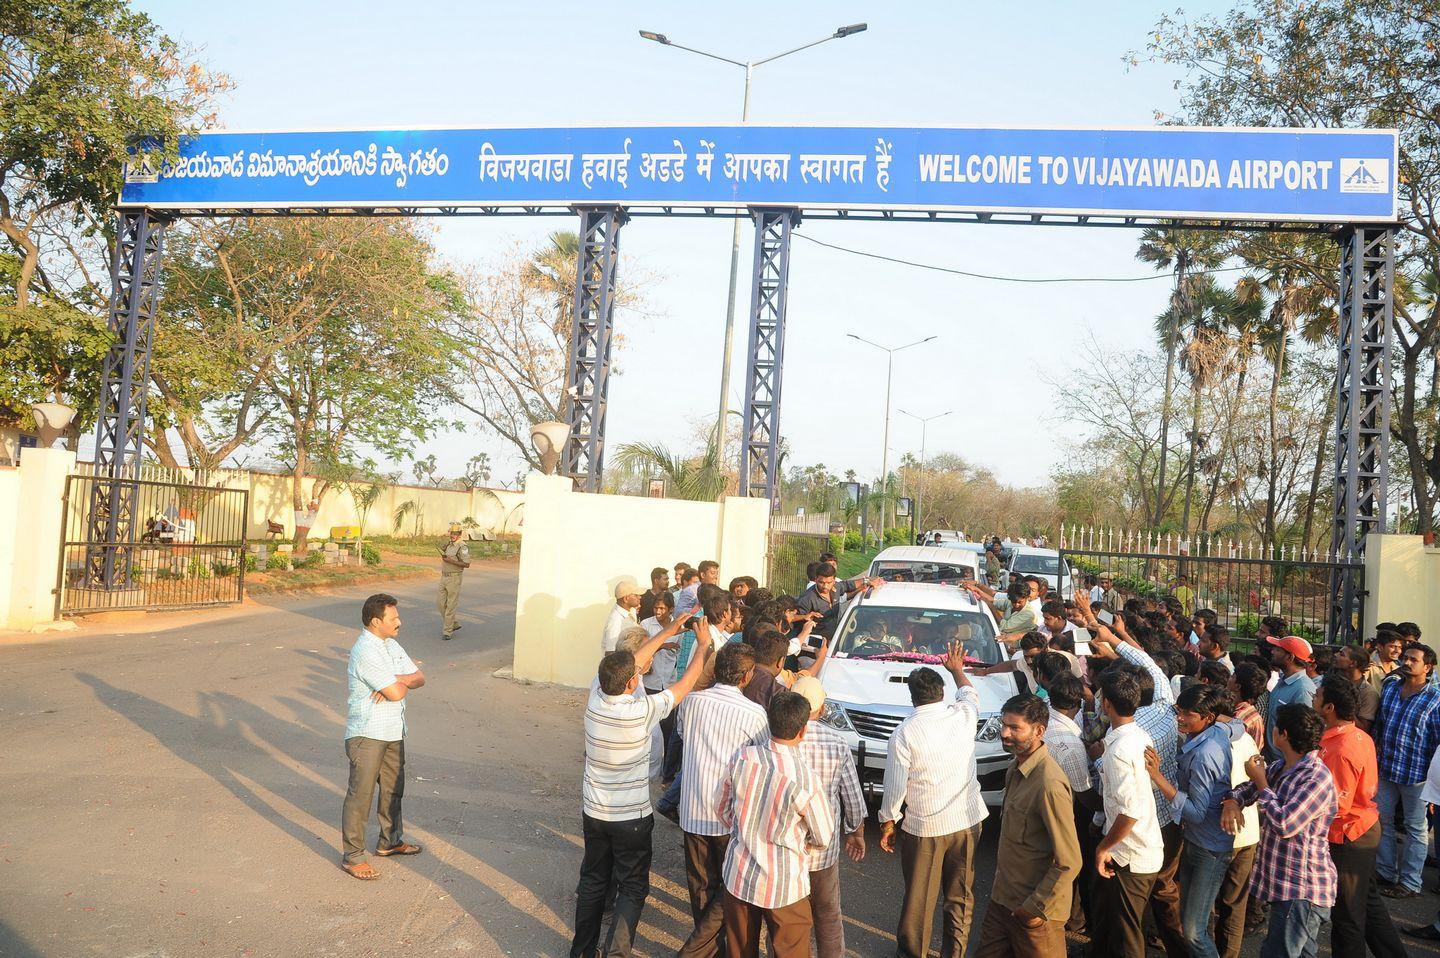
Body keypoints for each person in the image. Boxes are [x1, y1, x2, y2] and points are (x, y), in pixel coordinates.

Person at [571, 606, 711, 957]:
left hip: (595, 812)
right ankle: (616, 952)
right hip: (631, 818)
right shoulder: (641, 710)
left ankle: (582, 951)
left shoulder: (595, 697)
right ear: (633, 682)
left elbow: (632, 660)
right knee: (632, 887)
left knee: (593, 880)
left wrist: (670, 630)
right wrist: (702, 646)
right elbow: (684, 685)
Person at [880, 641, 989, 958]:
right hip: (967, 822)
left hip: (925, 827)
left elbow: (895, 787)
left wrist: (889, 821)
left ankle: (913, 953)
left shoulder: (905, 732)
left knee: (919, 900)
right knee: (959, 896)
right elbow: (971, 693)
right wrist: (956, 669)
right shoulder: (963, 716)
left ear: (912, 696)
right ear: (942, 691)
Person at [714, 690, 835, 958]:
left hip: (740, 875)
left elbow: (721, 808)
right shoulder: (805, 778)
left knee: (739, 950)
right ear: (803, 731)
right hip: (785, 883)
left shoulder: (742, 758)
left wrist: (743, 830)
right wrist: (803, 845)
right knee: (790, 951)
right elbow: (824, 836)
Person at [1222, 704, 1338, 958]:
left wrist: (1261, 781)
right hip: (1285, 885)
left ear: (1283, 735)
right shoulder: (1283, 767)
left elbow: (1285, 823)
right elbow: (1247, 790)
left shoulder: (1316, 777)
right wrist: (1232, 801)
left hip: (1302, 889)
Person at [677, 641, 769, 958]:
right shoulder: (755, 714)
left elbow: (682, 735)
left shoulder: (692, 703)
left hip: (692, 809)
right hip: (732, 816)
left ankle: (706, 951)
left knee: (701, 889)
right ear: (746, 677)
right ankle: (704, 951)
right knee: (731, 890)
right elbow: (761, 762)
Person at [972, 693, 1082, 958]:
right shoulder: (1015, 769)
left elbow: (1069, 861)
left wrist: (1034, 908)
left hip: (1035, 913)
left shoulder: (1049, 783)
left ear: (1039, 730)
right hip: (1002, 900)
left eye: (1015, 728)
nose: (1005, 734)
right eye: (1004, 725)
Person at [1310, 675, 1406, 958]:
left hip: (1349, 834)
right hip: (1361, 827)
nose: (1313, 697)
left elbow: (1336, 805)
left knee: (1347, 914)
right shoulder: (1356, 735)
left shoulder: (1340, 749)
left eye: (1318, 695)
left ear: (1329, 707)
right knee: (1368, 903)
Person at [1143, 684, 1239, 958]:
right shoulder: (1218, 730)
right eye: (1180, 711)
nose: (1180, 719)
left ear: (1206, 718)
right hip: (1199, 840)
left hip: (1209, 847)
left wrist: (1158, 777)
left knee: (1194, 931)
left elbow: (1196, 811)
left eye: (1189, 715)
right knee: (1193, 922)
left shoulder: (1205, 753)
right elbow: (1239, 725)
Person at [340, 593, 425, 880]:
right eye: (393, 618)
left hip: (393, 730)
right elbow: (398, 692)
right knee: (361, 795)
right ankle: (352, 856)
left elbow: (419, 678)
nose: (399, 621)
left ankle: (390, 841)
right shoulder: (366, 650)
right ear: (376, 622)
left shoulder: (390, 644)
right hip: (367, 733)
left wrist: (397, 679)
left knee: (393, 790)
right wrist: (399, 682)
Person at [789, 676, 866, 958]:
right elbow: (852, 796)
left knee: (789, 921)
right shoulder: (836, 741)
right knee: (828, 915)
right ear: (821, 710)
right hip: (824, 849)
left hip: (787, 850)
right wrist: (855, 831)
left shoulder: (776, 735)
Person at [1091, 668, 1164, 958]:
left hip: (1132, 855)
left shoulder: (1120, 748)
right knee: (1122, 928)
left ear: (1107, 704)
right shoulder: (1135, 734)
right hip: (1136, 849)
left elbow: (1129, 812)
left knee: (1128, 938)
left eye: (1100, 697)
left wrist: (1102, 848)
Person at [1372, 642, 1440, 899]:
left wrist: (1434, 783)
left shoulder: (1435, 698)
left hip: (1417, 776)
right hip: (1387, 769)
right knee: (1384, 822)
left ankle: (1410, 882)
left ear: (1428, 666)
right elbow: (1380, 725)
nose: (1407, 662)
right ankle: (1386, 871)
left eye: (1414, 659)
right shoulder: (1390, 688)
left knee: (1415, 828)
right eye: (1406, 658)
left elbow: (1437, 741)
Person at [1263, 636, 1317, 761]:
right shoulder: (1284, 680)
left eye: (1278, 650)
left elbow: (1304, 734)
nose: (1272, 651)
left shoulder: (1303, 690)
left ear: (1290, 657)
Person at [1330, 644, 1380, 732]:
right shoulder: (1333, 682)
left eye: (1342, 654)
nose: (1336, 655)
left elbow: (1363, 728)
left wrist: (1344, 705)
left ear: (1353, 663)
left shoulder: (1368, 693)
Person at [437, 524, 471, 639]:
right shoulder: (449, 545)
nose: (452, 535)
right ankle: (454, 623)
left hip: (454, 578)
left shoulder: (463, 547)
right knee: (440, 604)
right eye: (451, 533)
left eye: (455, 533)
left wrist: (450, 561)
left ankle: (447, 632)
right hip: (444, 577)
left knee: (451, 605)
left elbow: (467, 564)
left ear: (460, 534)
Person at [1230, 663, 1268, 753]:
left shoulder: (1241, 717)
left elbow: (1255, 751)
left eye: (1232, 677)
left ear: (1237, 686)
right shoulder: (1252, 715)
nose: (1229, 679)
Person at [603, 579, 643, 654]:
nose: (639, 597)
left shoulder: (631, 611)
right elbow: (610, 652)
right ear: (626, 599)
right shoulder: (615, 620)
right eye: (636, 595)